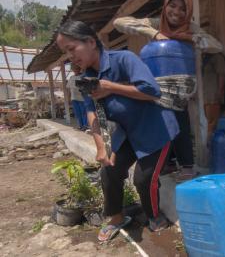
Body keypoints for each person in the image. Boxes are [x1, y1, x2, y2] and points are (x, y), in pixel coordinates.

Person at [56, 20, 179, 241]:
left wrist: (110, 87)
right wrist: (101, 147)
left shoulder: (124, 59)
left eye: (72, 48)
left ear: (91, 42)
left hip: (155, 129)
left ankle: (154, 216)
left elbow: (152, 91)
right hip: (128, 132)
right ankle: (116, 217)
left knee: (143, 179)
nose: (70, 56)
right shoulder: (85, 80)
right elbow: (92, 113)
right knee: (109, 171)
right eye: (66, 52)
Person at [114, 0, 223, 181]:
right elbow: (119, 23)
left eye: (183, 9)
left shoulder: (190, 27)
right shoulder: (156, 23)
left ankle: (187, 166)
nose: (177, 12)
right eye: (172, 6)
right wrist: (153, 33)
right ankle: (169, 162)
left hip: (180, 86)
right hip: (155, 85)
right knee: (161, 124)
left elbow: (216, 45)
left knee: (180, 122)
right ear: (165, 6)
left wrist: (190, 37)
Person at [202, 52, 225, 138]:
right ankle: (209, 143)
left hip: (213, 94)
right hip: (205, 94)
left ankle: (208, 143)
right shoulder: (202, 58)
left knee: (212, 121)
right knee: (209, 121)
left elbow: (222, 74)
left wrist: (220, 91)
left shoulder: (217, 57)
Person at [67, 63, 88, 131]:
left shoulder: (83, 77)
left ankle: (85, 125)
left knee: (83, 112)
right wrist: (68, 98)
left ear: (79, 68)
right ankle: (80, 125)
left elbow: (86, 88)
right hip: (74, 98)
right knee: (77, 113)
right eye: (74, 69)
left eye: (76, 68)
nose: (75, 70)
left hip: (82, 98)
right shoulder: (71, 78)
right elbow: (69, 89)